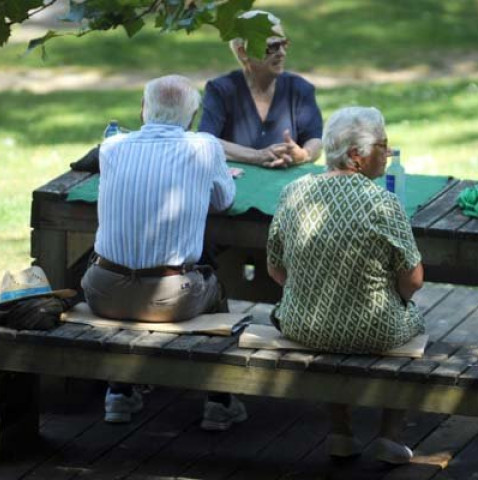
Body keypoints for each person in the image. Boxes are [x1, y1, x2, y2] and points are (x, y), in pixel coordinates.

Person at [81, 75, 247, 431]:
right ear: (193, 116)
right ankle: (218, 400)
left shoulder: (112, 148)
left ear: (143, 110)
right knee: (215, 285)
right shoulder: (204, 147)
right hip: (171, 300)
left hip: (102, 291)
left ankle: (118, 393)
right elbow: (224, 200)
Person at [266, 106, 424, 464]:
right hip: (376, 328)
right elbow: (413, 280)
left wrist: (310, 286)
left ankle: (341, 432)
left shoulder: (293, 192)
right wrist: (396, 299)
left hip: (302, 325)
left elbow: (276, 270)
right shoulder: (384, 203)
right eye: (383, 145)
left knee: (334, 326)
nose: (388, 152)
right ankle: (390, 436)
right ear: (357, 155)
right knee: (413, 323)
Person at [199, 10, 323, 168]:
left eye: (284, 44)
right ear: (243, 52)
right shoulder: (221, 90)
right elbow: (206, 141)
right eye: (272, 46)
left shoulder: (300, 89)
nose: (282, 53)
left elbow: (315, 140)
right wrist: (257, 156)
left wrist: (303, 155)